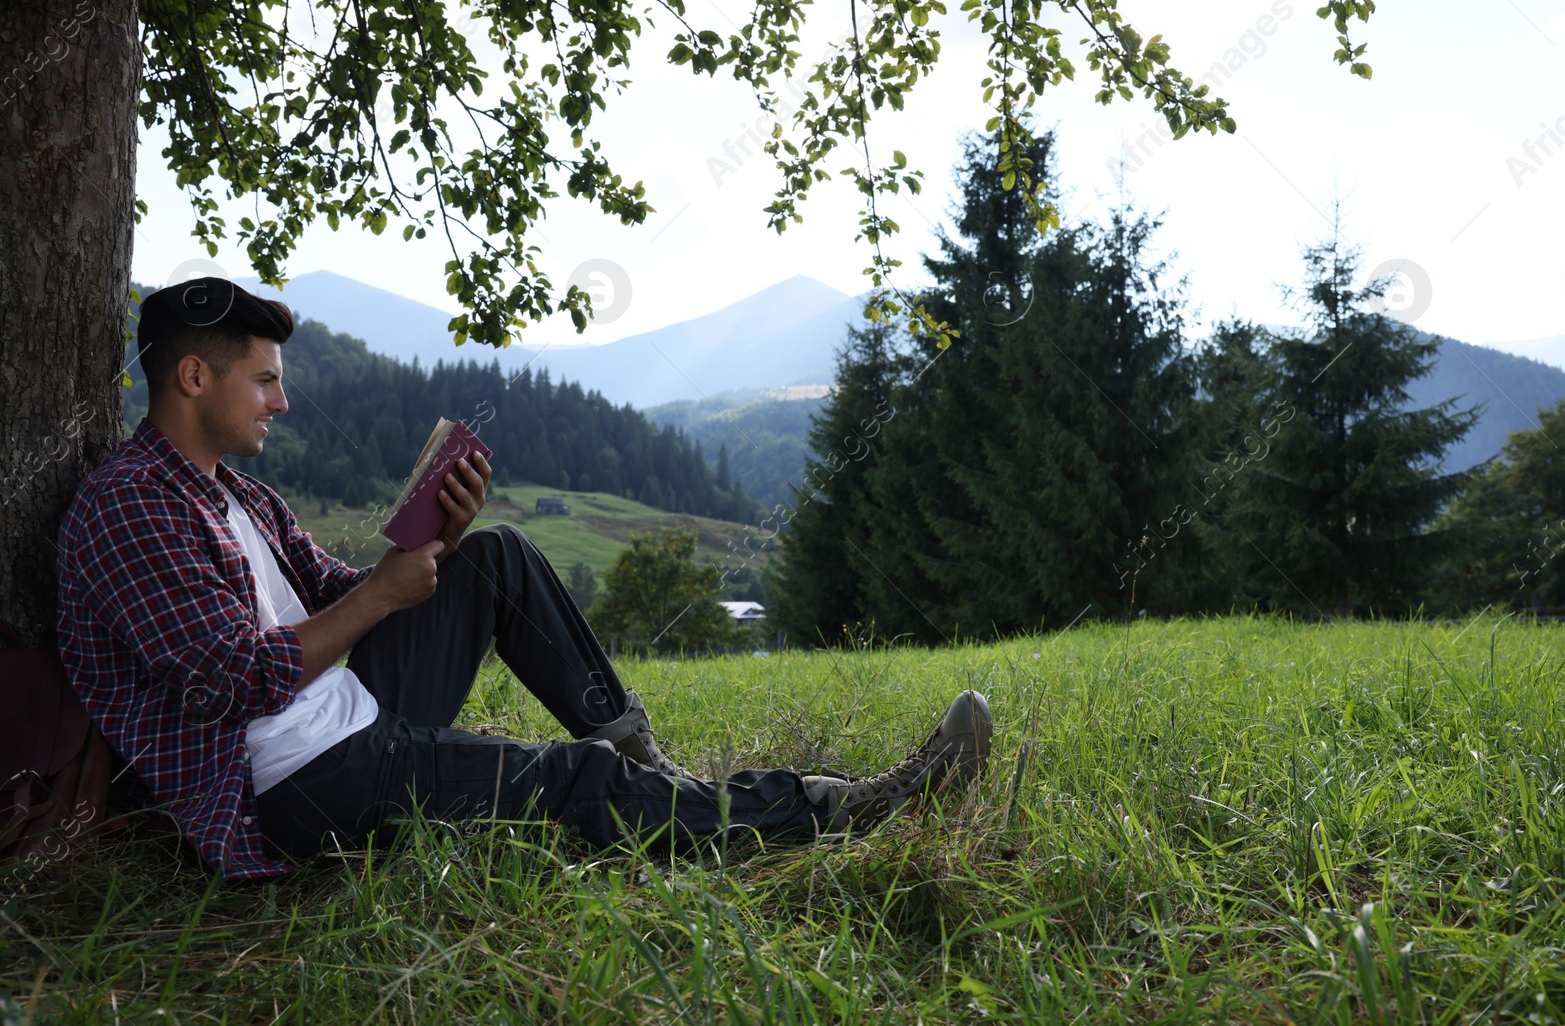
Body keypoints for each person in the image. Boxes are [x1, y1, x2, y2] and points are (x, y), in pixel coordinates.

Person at [54, 278, 992, 878]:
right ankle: (836, 808)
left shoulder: (241, 497)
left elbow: (338, 586)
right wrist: (381, 594)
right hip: (290, 782)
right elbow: (230, 680)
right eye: (262, 380)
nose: (281, 399)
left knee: (495, 557)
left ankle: (642, 761)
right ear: (190, 376)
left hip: (342, 708)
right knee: (563, 782)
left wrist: (437, 540)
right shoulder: (133, 506)